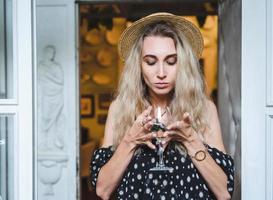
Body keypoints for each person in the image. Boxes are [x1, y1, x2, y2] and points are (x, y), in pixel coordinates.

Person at [90, 13, 234, 200]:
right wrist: (130, 141)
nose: (161, 73)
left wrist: (191, 141)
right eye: (150, 62)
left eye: (171, 61)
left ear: (183, 64)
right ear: (139, 65)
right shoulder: (120, 109)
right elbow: (102, 190)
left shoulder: (204, 109)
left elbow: (224, 192)